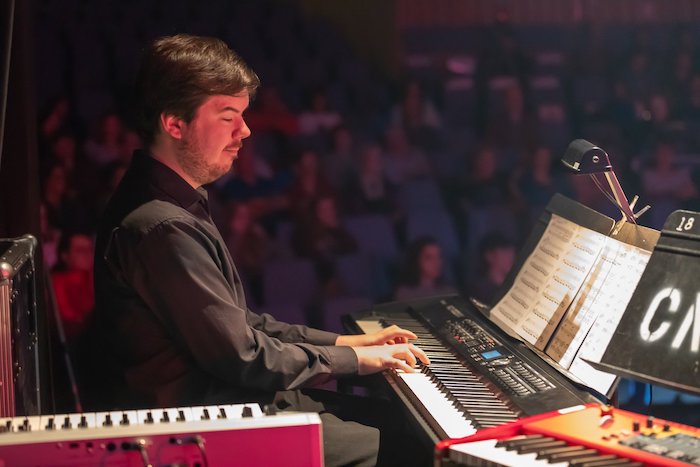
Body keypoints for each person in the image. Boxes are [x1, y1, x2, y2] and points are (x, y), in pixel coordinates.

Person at [88, 34, 429, 467]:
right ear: (174, 124)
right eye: (228, 116)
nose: (245, 131)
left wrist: (349, 342)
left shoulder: (169, 204)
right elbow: (243, 356)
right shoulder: (162, 227)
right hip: (214, 429)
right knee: (415, 449)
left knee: (405, 426)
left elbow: (241, 326)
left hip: (235, 407)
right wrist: (354, 360)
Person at [394, 236, 456, 301]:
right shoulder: (405, 293)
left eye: (439, 256)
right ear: (416, 260)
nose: (437, 262)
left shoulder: (449, 292)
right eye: (429, 258)